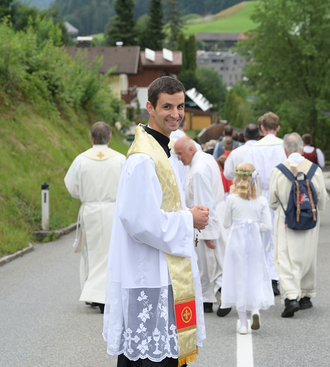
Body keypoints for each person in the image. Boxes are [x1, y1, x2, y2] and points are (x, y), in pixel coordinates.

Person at [103, 76, 209, 367]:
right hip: (149, 275)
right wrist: (189, 218)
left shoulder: (162, 149)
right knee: (152, 358)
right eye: (167, 107)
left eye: (180, 106)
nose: (175, 114)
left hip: (163, 271)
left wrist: (185, 213)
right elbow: (139, 221)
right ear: (150, 107)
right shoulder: (143, 159)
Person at [64, 121, 126, 314]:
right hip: (114, 211)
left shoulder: (81, 160)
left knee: (91, 253)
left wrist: (86, 197)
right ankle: (108, 293)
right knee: (112, 253)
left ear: (90, 138)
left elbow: (72, 187)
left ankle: (93, 294)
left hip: (90, 211)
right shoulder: (120, 159)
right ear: (110, 138)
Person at [269, 132, 329, 318]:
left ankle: (291, 298)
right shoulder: (314, 169)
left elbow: (272, 201)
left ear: (284, 150)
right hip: (310, 219)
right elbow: (322, 201)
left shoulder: (279, 170)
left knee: (286, 258)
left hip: (286, 219)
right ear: (302, 148)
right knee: (307, 256)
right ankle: (306, 296)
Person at [174, 136, 230, 317]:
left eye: (180, 154)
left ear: (191, 150)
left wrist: (207, 234)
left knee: (209, 262)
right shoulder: (204, 158)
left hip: (206, 220)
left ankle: (222, 295)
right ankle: (208, 298)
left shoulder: (198, 170)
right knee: (210, 262)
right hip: (213, 216)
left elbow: (204, 203)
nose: (179, 158)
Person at [221, 162, 274, 334]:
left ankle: (243, 324)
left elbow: (226, 223)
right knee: (255, 276)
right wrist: (253, 225)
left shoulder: (231, 199)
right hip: (255, 245)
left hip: (236, 245)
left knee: (239, 278)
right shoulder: (261, 201)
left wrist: (240, 224)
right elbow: (268, 226)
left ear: (236, 178)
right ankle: (256, 310)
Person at [244, 113, 287, 296]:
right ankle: (276, 277)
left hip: (260, 194)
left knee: (262, 236)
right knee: (278, 236)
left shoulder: (255, 147)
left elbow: (249, 174)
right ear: (278, 128)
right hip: (281, 194)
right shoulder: (283, 146)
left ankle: (262, 276)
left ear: (261, 128)